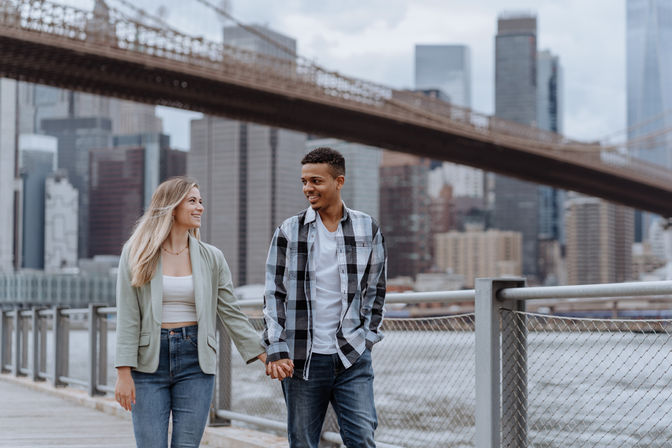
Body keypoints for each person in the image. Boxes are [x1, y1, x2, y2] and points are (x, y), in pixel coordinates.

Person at [114, 176, 267, 448]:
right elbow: (128, 316)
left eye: (201, 201)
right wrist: (123, 373)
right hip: (148, 363)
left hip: (196, 360)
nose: (200, 208)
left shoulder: (212, 257)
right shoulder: (136, 252)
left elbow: (230, 312)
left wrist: (263, 352)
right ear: (172, 207)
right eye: (192, 201)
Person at [263, 147, 387, 448]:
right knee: (303, 442)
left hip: (352, 356)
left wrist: (366, 339)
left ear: (338, 181)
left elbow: (376, 291)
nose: (308, 188)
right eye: (304, 182)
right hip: (301, 359)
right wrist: (276, 347)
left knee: (362, 439)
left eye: (316, 181)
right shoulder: (288, 232)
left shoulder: (367, 228)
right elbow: (273, 294)